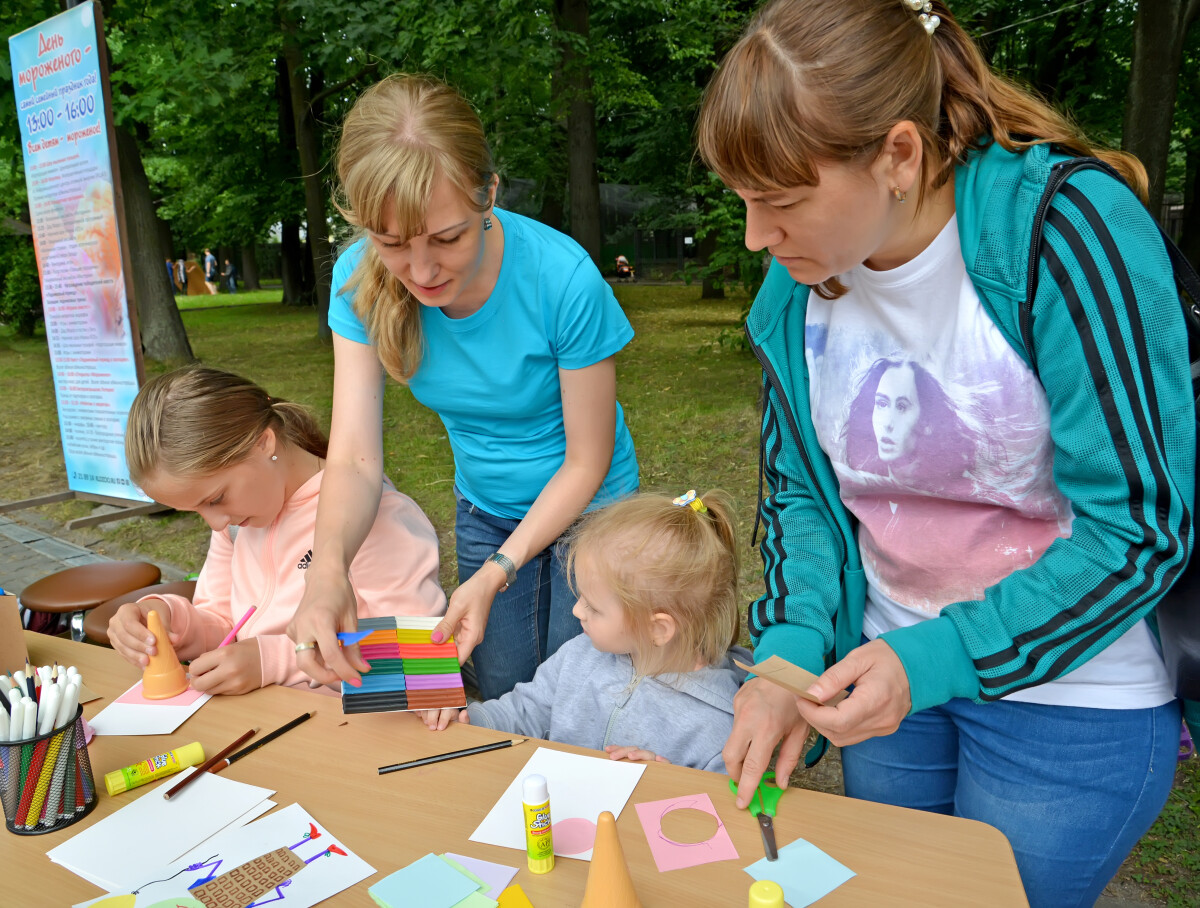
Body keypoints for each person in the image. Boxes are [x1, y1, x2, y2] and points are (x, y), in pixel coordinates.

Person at [697, 2, 1193, 906]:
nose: (754, 238)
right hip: (883, 685)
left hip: (1074, 703)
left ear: (897, 155)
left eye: (781, 201)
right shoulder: (793, 289)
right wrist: (787, 658)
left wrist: (935, 660)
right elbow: (803, 498)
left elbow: (1141, 528)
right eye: (743, 201)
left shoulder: (1065, 231)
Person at [286, 74, 639, 701]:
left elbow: (589, 460)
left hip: (593, 514)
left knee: (576, 695)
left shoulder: (563, 280)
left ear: (489, 196)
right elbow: (354, 458)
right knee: (502, 688)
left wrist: (501, 570)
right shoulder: (357, 282)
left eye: (447, 238)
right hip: (485, 510)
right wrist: (328, 571)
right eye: (391, 243)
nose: (421, 271)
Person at [108, 366, 446, 695]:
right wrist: (164, 621)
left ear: (263, 444)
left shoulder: (377, 516)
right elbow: (222, 622)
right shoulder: (237, 525)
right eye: (195, 510)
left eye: (216, 499)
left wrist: (273, 661)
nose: (215, 523)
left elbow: (421, 662)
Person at [416, 490, 750, 772]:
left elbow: (719, 821)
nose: (577, 611)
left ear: (658, 628)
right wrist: (468, 722)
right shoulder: (579, 655)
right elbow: (523, 713)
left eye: (593, 606)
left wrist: (667, 785)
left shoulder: (719, 725)